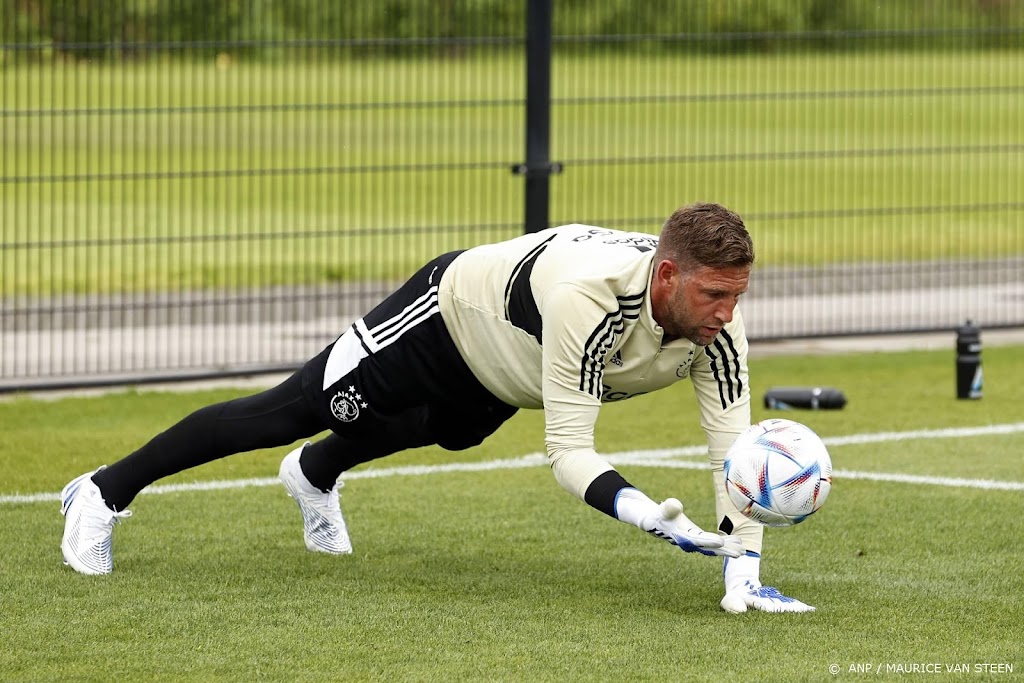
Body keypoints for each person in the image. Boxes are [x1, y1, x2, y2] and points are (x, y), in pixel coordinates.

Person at [60, 202, 814, 613]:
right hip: (445, 312)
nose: (726, 311)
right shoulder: (590, 299)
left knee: (450, 432)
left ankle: (315, 474)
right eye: (714, 293)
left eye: (737, 295)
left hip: (503, 370)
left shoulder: (720, 326)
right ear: (668, 274)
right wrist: (643, 512)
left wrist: (741, 571)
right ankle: (104, 490)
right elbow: (570, 452)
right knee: (293, 407)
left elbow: (735, 453)